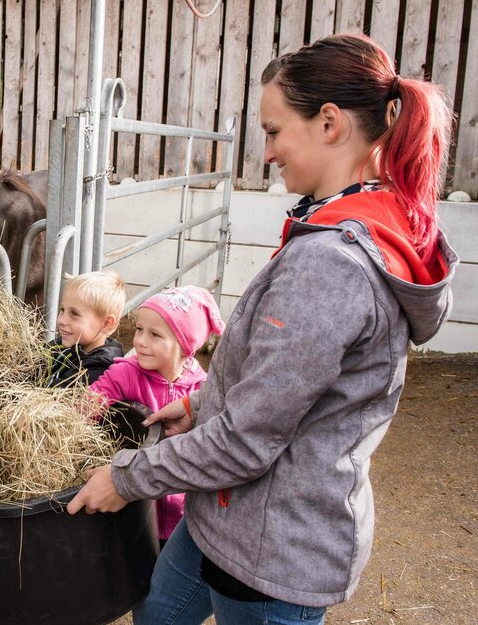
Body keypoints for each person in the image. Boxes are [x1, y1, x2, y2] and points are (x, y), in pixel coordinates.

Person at [66, 33, 459, 625]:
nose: (268, 152)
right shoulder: (348, 227)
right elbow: (289, 382)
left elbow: (249, 439)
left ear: (329, 123)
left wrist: (128, 478)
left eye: (274, 131)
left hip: (273, 550)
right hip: (222, 518)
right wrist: (202, 403)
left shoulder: (332, 264)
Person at [90, 286, 224, 544]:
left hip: (184, 519)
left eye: (154, 334)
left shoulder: (202, 388)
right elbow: (85, 407)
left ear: (185, 346)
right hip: (133, 511)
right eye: (139, 329)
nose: (139, 341)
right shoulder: (125, 374)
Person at [0, 271, 126, 388]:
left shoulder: (100, 370)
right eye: (62, 310)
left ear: (107, 324)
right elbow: (27, 375)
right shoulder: (62, 347)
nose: (61, 320)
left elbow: (43, 402)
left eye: (74, 314)